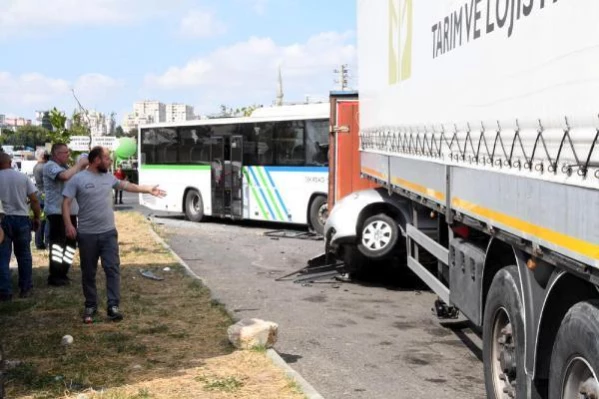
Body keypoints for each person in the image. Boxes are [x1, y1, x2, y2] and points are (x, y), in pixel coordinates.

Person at [62, 146, 166, 322]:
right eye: (107, 158)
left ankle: (113, 306)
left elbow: (127, 186)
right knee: (88, 272)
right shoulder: (78, 179)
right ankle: (90, 305)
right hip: (87, 234)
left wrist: (147, 189)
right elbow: (65, 203)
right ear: (96, 160)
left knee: (112, 269)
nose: (110, 161)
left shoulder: (108, 177)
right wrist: (68, 225)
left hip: (109, 233)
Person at [43, 143, 89, 286]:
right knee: (58, 245)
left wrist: (81, 167)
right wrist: (79, 164)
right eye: (65, 153)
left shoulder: (66, 167)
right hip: (57, 212)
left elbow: (75, 178)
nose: (68, 155)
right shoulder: (50, 166)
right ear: (56, 154)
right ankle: (55, 275)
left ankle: (63, 272)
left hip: (70, 211)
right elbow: (64, 176)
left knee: (70, 244)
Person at [0, 153, 41, 301]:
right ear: (10, 162)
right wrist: (37, 217)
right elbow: (34, 200)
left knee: (2, 257)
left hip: (2, 220)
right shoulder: (22, 177)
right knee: (24, 255)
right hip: (22, 219)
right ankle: (26, 288)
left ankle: (4, 291)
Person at [32, 150, 50, 250]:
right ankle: (47, 242)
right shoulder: (45, 167)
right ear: (43, 156)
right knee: (48, 220)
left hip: (39, 194)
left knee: (40, 219)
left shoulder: (36, 166)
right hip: (46, 195)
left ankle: (39, 243)